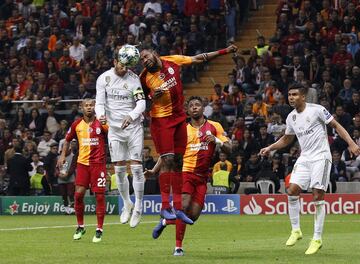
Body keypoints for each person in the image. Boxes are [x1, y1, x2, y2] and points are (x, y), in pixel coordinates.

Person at [140, 44, 237, 223]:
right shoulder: (144, 77)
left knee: (177, 160)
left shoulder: (172, 61)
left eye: (146, 56)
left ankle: (176, 208)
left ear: (154, 53)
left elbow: (200, 57)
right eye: (142, 60)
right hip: (161, 120)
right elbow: (139, 101)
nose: (145, 61)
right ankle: (164, 207)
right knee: (168, 159)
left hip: (178, 118)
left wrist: (224, 51)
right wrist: (153, 97)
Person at [260, 83, 360, 255]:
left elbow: (336, 126)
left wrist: (351, 143)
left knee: (317, 195)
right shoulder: (291, 117)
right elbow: (287, 139)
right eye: (290, 94)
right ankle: (296, 231)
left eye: (295, 94)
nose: (291, 97)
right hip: (305, 157)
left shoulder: (317, 110)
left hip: (321, 156)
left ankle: (317, 238)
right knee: (291, 190)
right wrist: (271, 147)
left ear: (303, 96)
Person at [146, 96, 231, 256]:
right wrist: (154, 170)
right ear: (187, 110)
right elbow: (167, 153)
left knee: (192, 216)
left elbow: (229, 148)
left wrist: (217, 142)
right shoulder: (182, 130)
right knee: (182, 207)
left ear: (203, 107)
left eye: (197, 104)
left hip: (202, 177)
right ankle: (178, 247)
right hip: (185, 172)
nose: (194, 107)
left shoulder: (214, 126)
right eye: (191, 105)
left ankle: (165, 221)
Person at [95, 47, 146, 228]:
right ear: (115, 62)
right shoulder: (104, 78)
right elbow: (99, 103)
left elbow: (141, 102)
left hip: (133, 127)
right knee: (119, 170)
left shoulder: (134, 79)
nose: (125, 68)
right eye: (122, 65)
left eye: (128, 65)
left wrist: (131, 116)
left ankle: (139, 206)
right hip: (114, 130)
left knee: (137, 168)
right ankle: (127, 203)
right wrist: (100, 115)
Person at [57, 98, 108, 243]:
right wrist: (62, 156)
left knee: (99, 196)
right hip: (82, 164)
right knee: (78, 195)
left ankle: (99, 229)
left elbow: (113, 135)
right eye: (86, 106)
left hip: (98, 165)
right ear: (82, 108)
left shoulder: (102, 123)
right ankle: (80, 226)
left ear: (95, 107)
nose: (89, 108)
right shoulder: (76, 124)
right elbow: (67, 140)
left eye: (91, 105)